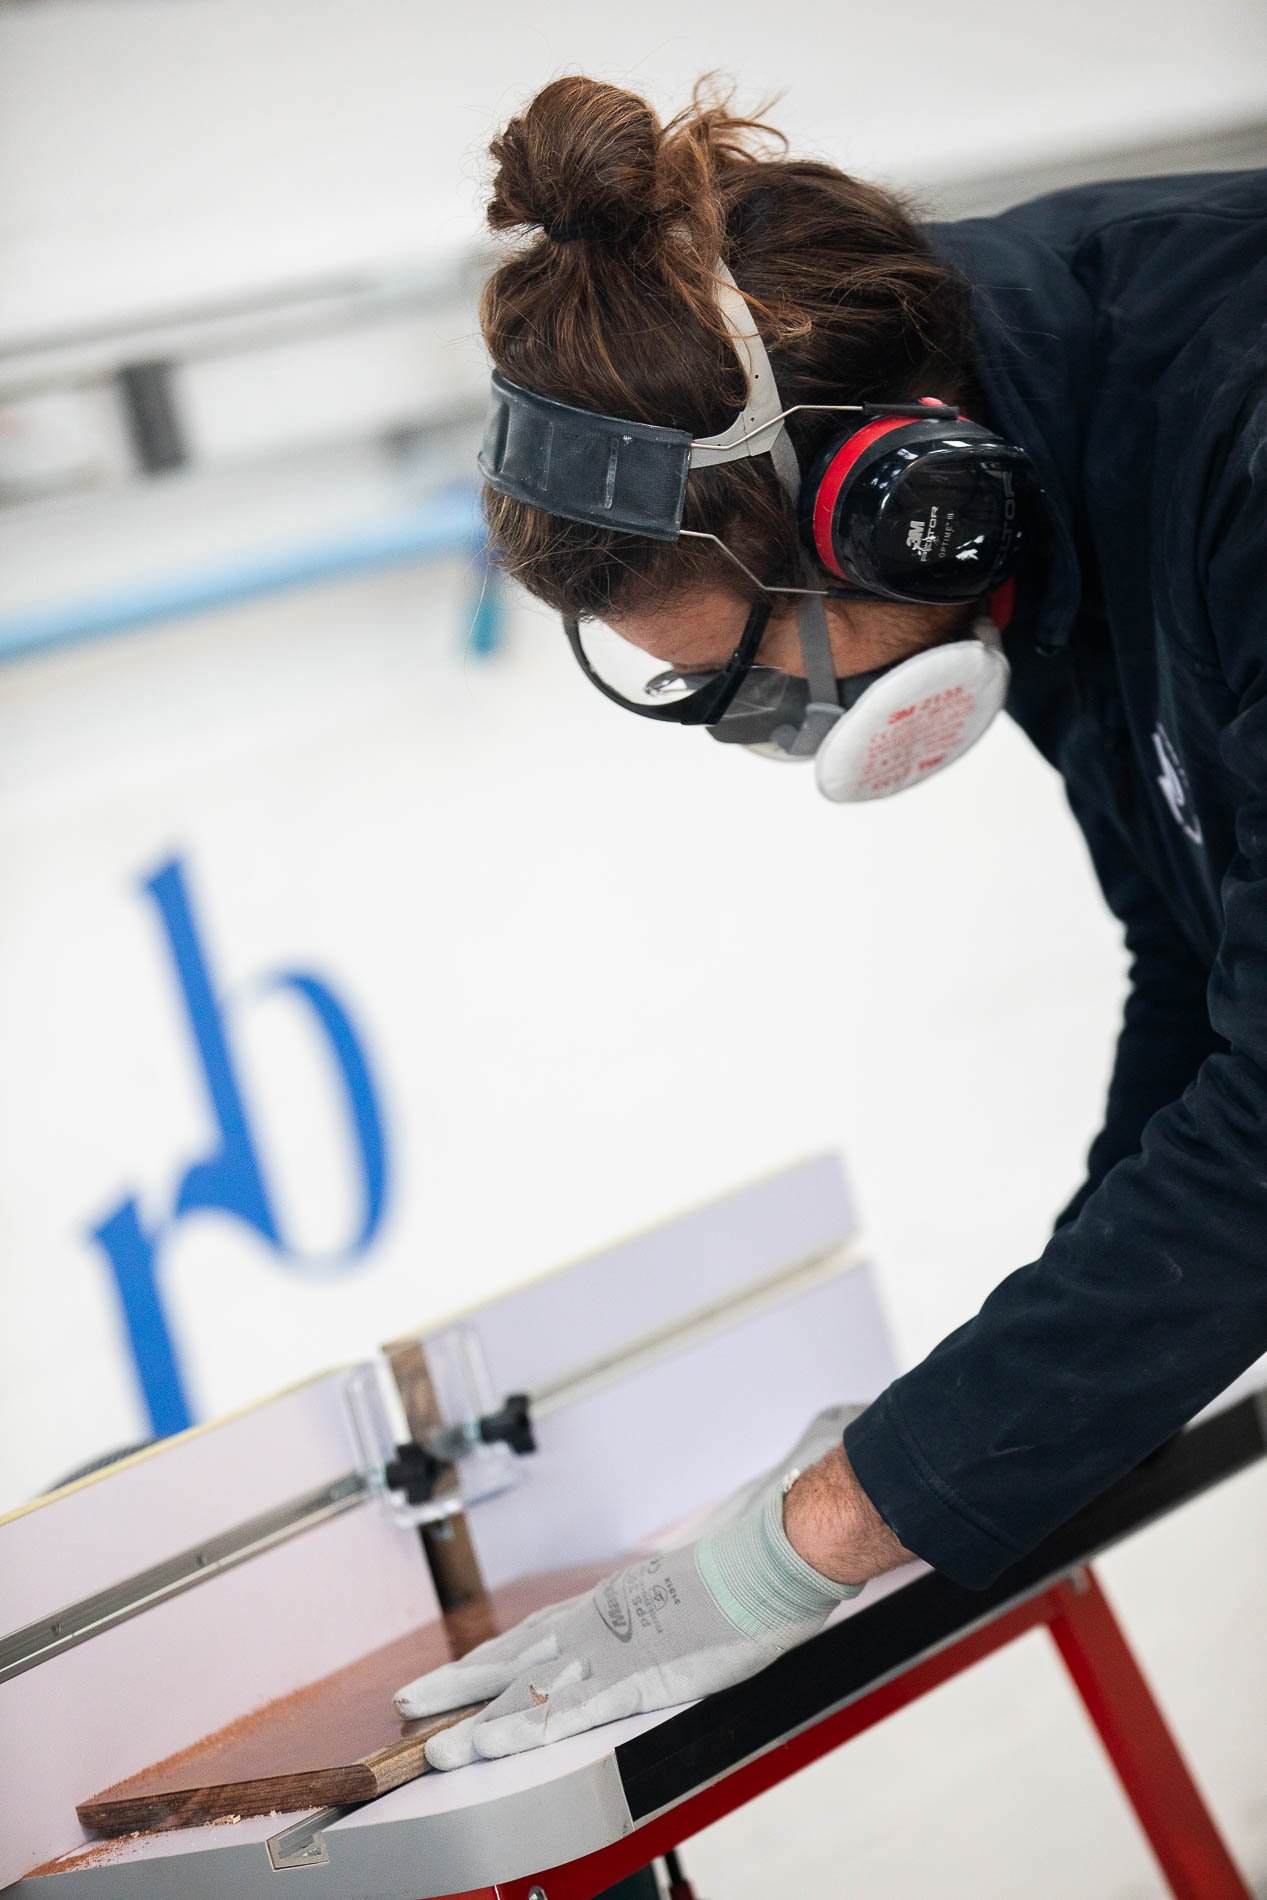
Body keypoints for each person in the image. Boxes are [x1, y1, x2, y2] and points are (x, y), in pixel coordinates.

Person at [394, 76, 1267, 1768]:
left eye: (744, 681)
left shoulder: (1231, 424)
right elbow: (1196, 951)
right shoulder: (1024, 459)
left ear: (895, 505)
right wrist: (965, 1431)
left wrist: (813, 1540)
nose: (778, 729)